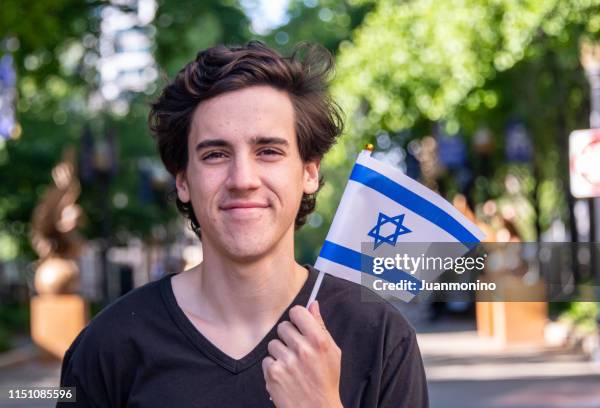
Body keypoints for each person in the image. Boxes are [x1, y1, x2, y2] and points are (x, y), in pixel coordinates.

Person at [58, 41, 428, 408]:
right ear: (183, 180)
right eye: (216, 154)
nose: (242, 178)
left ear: (309, 172)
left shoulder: (381, 338)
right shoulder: (107, 347)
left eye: (268, 151)